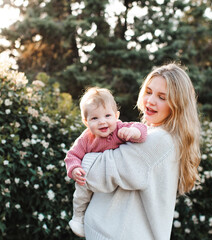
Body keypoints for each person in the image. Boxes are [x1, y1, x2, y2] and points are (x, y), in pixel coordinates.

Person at [80, 63, 201, 239]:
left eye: (162, 97)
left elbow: (94, 174)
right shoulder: (162, 137)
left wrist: (83, 156)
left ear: (177, 105)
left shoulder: (159, 140)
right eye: (149, 92)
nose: (150, 101)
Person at [64, 87, 148, 237]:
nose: (102, 122)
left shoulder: (120, 129)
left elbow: (142, 128)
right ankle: (78, 216)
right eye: (95, 118)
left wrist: (133, 132)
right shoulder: (86, 138)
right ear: (86, 121)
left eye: (107, 116)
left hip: (113, 178)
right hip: (89, 177)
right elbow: (72, 155)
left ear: (116, 116)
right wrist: (75, 169)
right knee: (81, 193)